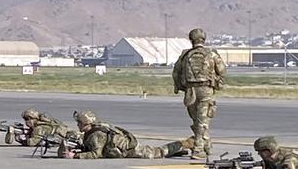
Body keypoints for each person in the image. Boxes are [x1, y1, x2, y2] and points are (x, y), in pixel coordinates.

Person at [172, 27, 227, 159]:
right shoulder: (211, 54)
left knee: (197, 119)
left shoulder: (185, 55)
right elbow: (222, 70)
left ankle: (206, 144)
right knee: (202, 120)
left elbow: (175, 72)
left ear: (191, 40)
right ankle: (198, 149)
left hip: (190, 91)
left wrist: (178, 87)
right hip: (206, 90)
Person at [63, 110, 194, 159]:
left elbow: (96, 154)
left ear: (86, 123)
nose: (78, 125)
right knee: (160, 152)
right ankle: (179, 150)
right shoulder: (90, 133)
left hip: (130, 150)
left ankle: (186, 143)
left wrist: (75, 156)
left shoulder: (97, 135)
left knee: (158, 152)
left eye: (79, 123)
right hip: (124, 148)